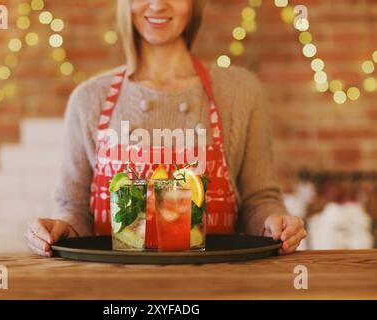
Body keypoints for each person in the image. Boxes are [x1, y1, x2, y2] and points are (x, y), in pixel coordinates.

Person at [25, 0, 306, 257]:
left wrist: (275, 223)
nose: (157, 5)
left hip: (216, 284)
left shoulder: (241, 93)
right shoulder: (88, 99)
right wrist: (59, 230)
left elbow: (259, 200)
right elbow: (73, 208)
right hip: (111, 286)